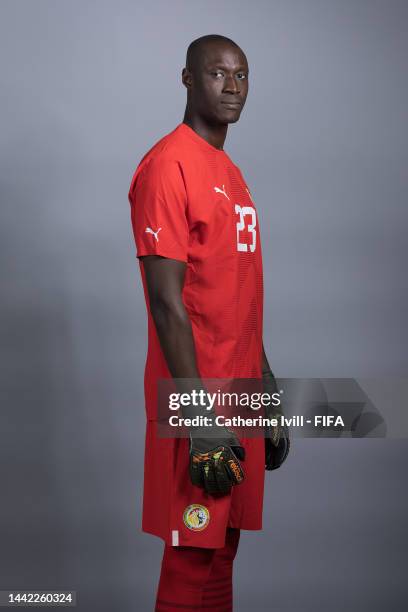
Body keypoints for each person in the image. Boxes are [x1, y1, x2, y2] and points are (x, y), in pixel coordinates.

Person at [128, 33, 289, 612]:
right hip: (196, 396)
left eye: (242, 76)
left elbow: (237, 292)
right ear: (188, 79)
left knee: (223, 550)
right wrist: (199, 417)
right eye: (219, 74)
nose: (233, 87)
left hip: (240, 391)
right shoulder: (168, 165)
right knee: (192, 554)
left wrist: (266, 391)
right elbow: (166, 302)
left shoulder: (230, 172)